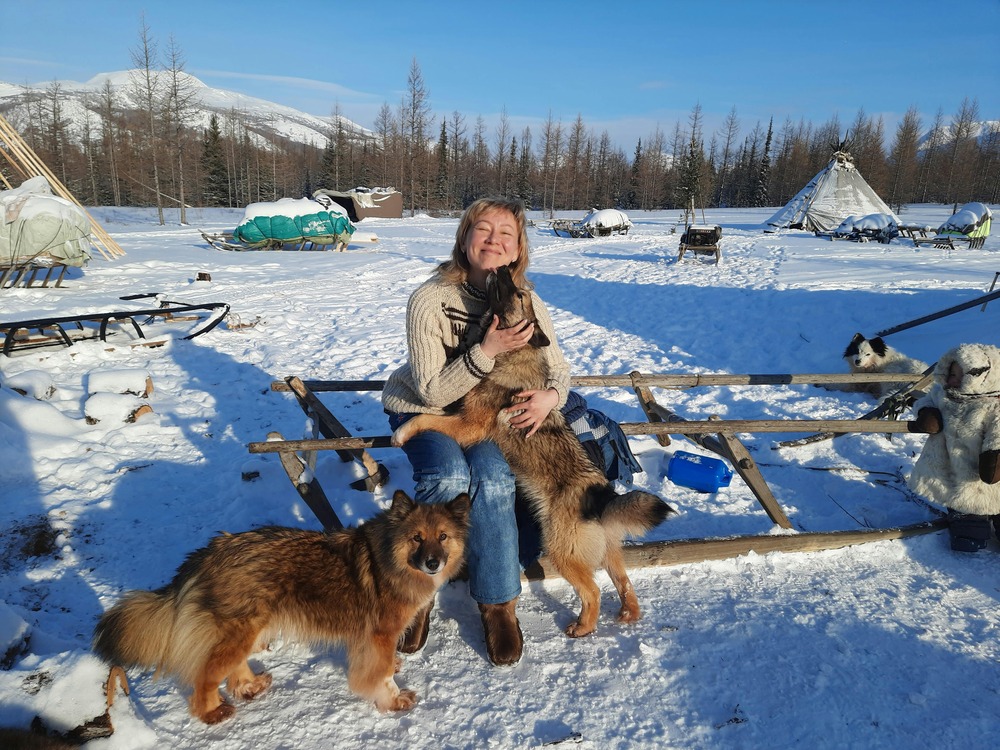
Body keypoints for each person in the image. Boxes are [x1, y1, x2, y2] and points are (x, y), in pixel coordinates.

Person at [382, 197, 570, 666]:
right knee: (448, 478)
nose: (493, 239)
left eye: (505, 233)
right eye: (482, 229)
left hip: (484, 418)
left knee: (495, 480)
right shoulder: (430, 299)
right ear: (464, 240)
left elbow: (559, 370)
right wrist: (485, 349)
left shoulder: (526, 300)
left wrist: (550, 396)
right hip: (425, 409)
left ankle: (498, 603)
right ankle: (416, 596)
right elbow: (428, 391)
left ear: (517, 249)